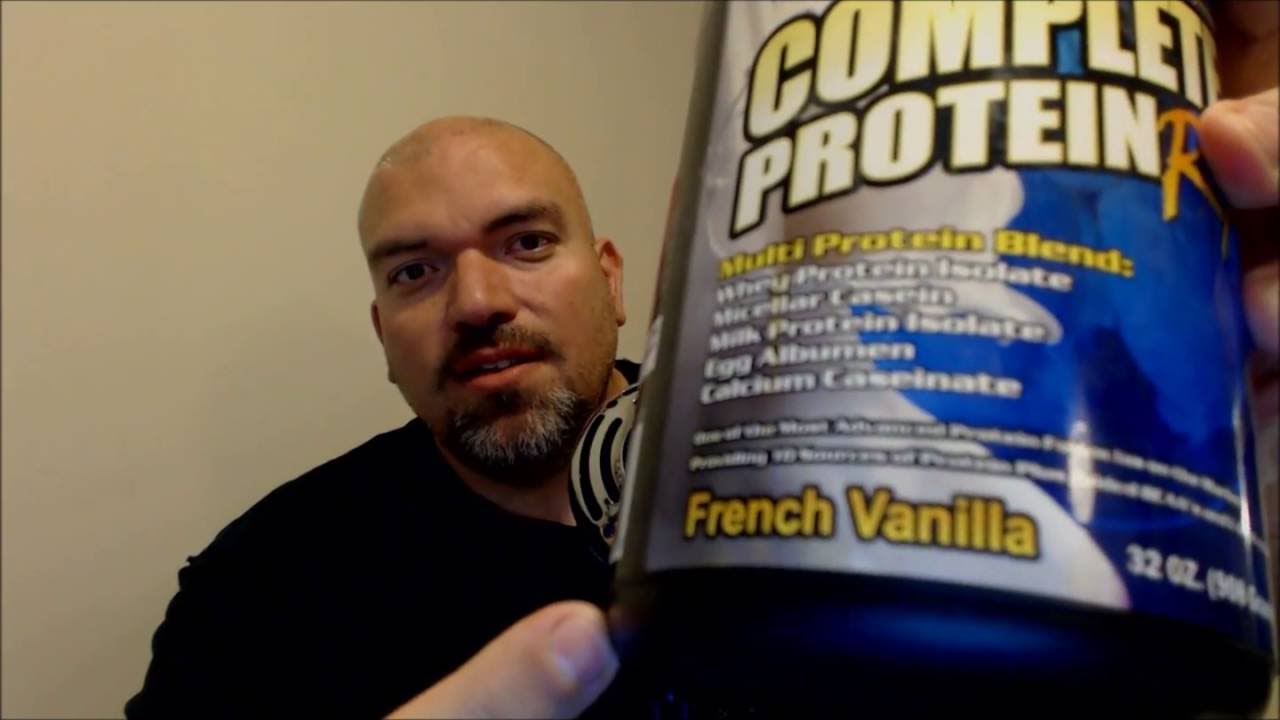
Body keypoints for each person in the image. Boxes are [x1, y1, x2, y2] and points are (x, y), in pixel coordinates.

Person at [129, 3, 1277, 717]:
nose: (476, 302)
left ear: (615, 279)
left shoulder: (859, 492)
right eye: (415, 271)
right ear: (383, 332)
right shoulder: (261, 586)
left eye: (524, 243)